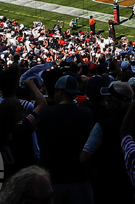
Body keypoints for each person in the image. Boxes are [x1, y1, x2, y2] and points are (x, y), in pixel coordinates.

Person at [35, 75, 94, 204]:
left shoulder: (45, 113)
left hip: (52, 179)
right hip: (78, 179)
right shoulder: (86, 114)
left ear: (60, 91)